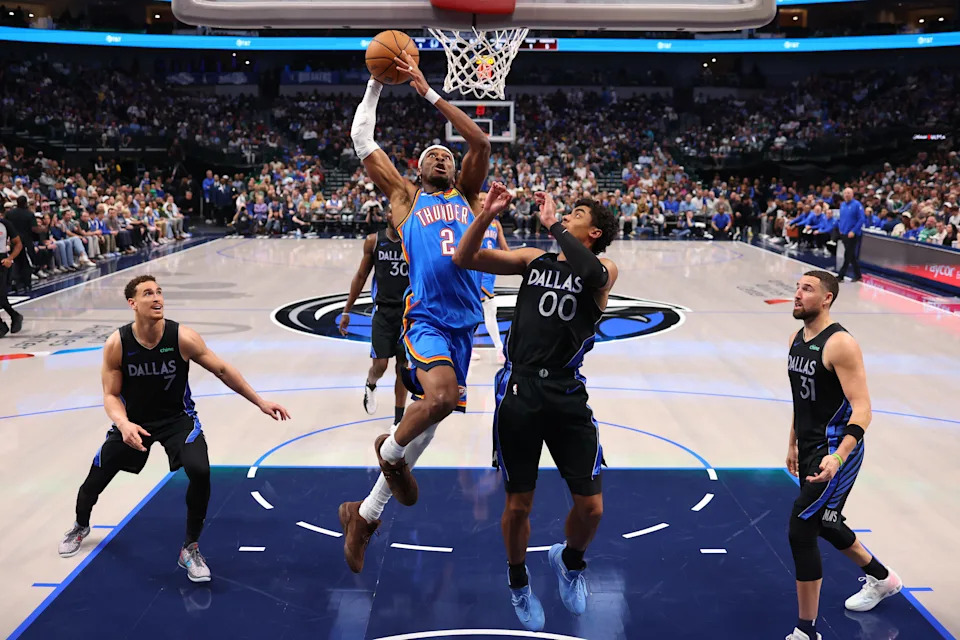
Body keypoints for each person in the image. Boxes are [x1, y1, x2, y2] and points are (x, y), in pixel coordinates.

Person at [337, 50, 491, 573]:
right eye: (431, 156)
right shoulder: (404, 200)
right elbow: (362, 140)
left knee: (431, 419)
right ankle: (388, 455)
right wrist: (376, 84)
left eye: (446, 156)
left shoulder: (469, 196)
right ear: (417, 169)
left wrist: (428, 92)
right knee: (439, 400)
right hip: (424, 319)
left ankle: (364, 513)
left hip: (464, 325)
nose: (441, 158)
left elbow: (481, 142)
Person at [454, 184, 619, 631]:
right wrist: (486, 215)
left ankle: (570, 561)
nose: (566, 215)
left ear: (594, 232)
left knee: (592, 508)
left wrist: (551, 225)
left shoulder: (604, 268)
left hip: (567, 392)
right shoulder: (533, 260)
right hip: (520, 388)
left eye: (577, 213)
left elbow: (591, 274)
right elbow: (465, 258)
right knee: (517, 505)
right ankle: (518, 581)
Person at [57, 275, 291, 582]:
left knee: (200, 471)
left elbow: (222, 369)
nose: (157, 298)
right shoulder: (117, 343)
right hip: (134, 422)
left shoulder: (182, 337)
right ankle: (80, 525)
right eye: (148, 293)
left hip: (177, 420)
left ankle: (190, 549)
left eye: (159, 292)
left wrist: (259, 401)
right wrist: (123, 423)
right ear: (132, 303)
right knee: (94, 479)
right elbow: (110, 395)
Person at [784, 270, 901, 640]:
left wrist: (838, 457)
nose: (797, 294)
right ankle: (883, 579)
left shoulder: (840, 344)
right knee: (826, 521)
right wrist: (792, 442)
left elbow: (863, 408)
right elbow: (801, 400)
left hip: (836, 452)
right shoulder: (797, 339)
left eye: (807, 289)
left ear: (827, 298)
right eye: (797, 287)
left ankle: (806, 631)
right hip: (810, 448)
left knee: (801, 529)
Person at [339, 208, 410, 425]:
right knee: (380, 366)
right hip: (383, 312)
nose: (396, 215)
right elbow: (361, 276)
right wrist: (347, 310)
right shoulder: (374, 241)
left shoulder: (413, 241)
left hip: (408, 313)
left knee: (403, 367)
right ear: (386, 216)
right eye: (392, 212)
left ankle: (398, 421)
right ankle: (371, 383)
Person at [476, 208, 509, 362]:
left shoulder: (496, 224)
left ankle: (467, 347)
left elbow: (504, 248)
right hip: (479, 270)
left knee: (480, 309)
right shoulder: (474, 220)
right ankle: (499, 348)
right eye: (481, 200)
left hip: (491, 271)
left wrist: (516, 261)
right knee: (489, 309)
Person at [0, 211, 25, 337]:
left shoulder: (5, 224)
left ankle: (14, 316)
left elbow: (18, 244)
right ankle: (2, 325)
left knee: (1, 295)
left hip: (2, 262)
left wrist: (10, 258)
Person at [836, 188, 865, 282]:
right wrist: (841, 228)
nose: (847, 195)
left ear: (852, 194)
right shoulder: (842, 205)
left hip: (853, 234)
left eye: (848, 193)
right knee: (851, 255)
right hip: (844, 233)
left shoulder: (857, 205)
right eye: (845, 193)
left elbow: (861, 219)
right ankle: (858, 275)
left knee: (847, 254)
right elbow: (841, 218)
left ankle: (841, 276)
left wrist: (854, 231)